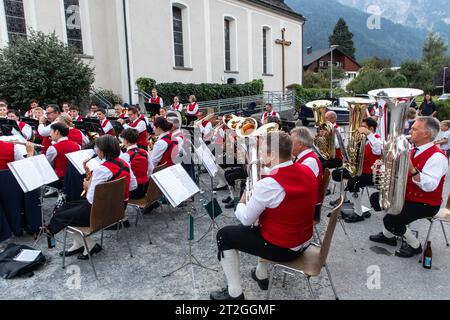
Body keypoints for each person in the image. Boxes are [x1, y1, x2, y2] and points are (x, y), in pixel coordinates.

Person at [210, 132, 318, 300]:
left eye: (262, 151)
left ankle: (234, 293)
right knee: (264, 222)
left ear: (273, 155)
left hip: (283, 249)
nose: (259, 155)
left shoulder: (269, 184)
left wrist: (243, 198)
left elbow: (246, 220)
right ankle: (261, 274)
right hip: (304, 241)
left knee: (224, 235)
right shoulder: (307, 169)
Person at [44, 135, 137, 260]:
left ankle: (91, 245)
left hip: (99, 213)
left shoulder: (102, 170)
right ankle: (78, 244)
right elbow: (133, 186)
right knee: (66, 207)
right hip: (119, 209)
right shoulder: (125, 163)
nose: (95, 150)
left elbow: (91, 199)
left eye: (96, 147)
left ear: (102, 151)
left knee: (59, 215)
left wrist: (88, 186)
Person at [370, 117, 448, 257]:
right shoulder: (412, 149)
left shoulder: (438, 157)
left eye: (414, 129)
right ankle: (388, 237)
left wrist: (413, 170)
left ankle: (415, 245)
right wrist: (382, 168)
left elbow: (430, 186)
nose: (410, 131)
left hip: (425, 203)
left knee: (391, 220)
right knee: (377, 198)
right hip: (407, 195)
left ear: (426, 134)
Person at [331, 117, 382, 223]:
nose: (360, 129)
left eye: (363, 127)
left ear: (371, 129)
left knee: (353, 183)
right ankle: (347, 200)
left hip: (371, 174)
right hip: (359, 170)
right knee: (337, 173)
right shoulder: (362, 139)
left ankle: (359, 213)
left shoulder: (377, 139)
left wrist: (368, 134)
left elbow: (377, 150)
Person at [291, 127, 323, 218]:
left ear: (300, 144)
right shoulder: (303, 157)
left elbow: (297, 187)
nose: (289, 145)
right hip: (306, 201)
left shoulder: (309, 161)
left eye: (291, 143)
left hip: (309, 207)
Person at [45, 123, 81, 188]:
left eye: (51, 131)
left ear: (57, 132)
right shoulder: (77, 145)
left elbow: (47, 165)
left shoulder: (53, 148)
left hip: (59, 178)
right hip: (73, 177)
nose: (50, 134)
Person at [120, 128, 151, 199]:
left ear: (126, 141)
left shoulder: (125, 156)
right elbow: (150, 170)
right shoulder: (145, 152)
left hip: (132, 192)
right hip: (143, 189)